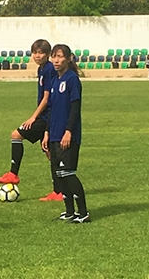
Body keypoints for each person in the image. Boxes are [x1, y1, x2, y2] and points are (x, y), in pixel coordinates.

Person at [0, 39, 61, 201]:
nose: (37, 56)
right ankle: (59, 191)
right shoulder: (42, 69)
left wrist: (33, 117)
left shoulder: (49, 69)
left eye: (41, 53)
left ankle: (13, 174)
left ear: (48, 54)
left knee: (16, 135)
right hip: (47, 116)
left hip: (47, 116)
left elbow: (46, 98)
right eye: (35, 52)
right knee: (50, 153)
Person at [41, 44, 89, 223]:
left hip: (67, 135)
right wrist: (46, 132)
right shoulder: (54, 81)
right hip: (53, 134)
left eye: (60, 56)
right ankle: (69, 211)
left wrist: (68, 131)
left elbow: (75, 107)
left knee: (68, 173)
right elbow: (52, 109)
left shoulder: (72, 79)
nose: (56, 60)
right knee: (59, 175)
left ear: (68, 59)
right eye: (54, 56)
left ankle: (83, 212)